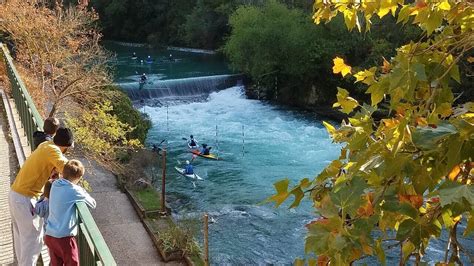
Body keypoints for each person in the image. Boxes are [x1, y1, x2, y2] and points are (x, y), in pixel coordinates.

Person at [9, 127, 73, 265]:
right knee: (32, 243)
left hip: (16, 194)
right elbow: (68, 170)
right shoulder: (54, 150)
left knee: (22, 241)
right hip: (25, 198)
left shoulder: (46, 144)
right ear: (65, 146)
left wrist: (51, 171)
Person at [44, 160, 96, 266]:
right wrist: (80, 189)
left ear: (63, 173)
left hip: (50, 234)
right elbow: (93, 203)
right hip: (64, 238)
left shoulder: (55, 184)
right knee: (72, 263)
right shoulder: (74, 190)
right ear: (78, 178)